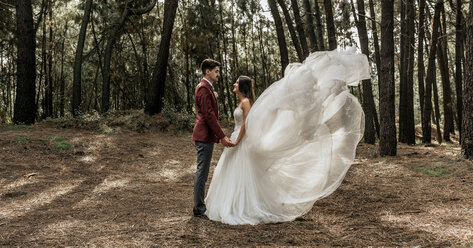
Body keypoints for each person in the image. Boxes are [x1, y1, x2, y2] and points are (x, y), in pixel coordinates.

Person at [204, 49, 371, 225]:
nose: (234, 84)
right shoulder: (241, 101)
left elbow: (246, 123)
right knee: (233, 172)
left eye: (237, 82)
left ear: (242, 87)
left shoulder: (245, 103)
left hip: (240, 140)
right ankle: (234, 202)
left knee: (242, 172)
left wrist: (237, 140)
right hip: (235, 138)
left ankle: (241, 205)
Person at [192, 59, 234, 217]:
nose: (219, 74)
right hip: (203, 135)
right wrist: (222, 136)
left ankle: (199, 205)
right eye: (216, 71)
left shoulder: (207, 88)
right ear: (207, 71)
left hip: (205, 135)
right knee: (202, 172)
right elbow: (209, 116)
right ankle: (198, 207)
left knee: (203, 171)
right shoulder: (203, 88)